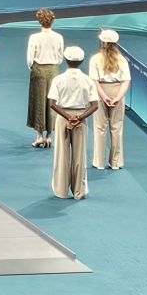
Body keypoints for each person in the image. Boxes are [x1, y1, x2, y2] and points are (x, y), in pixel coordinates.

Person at [47, 46, 96, 199]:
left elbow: (52, 103)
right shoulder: (88, 80)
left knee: (61, 154)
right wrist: (79, 118)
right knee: (79, 156)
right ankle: (78, 191)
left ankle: (61, 191)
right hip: (81, 118)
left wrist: (68, 117)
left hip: (63, 117)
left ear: (66, 60)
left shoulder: (58, 79)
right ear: (82, 61)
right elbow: (95, 105)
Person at [88, 31, 130, 171]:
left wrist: (103, 96)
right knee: (116, 127)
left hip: (100, 92)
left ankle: (99, 162)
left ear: (102, 42)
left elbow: (94, 81)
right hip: (117, 91)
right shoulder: (122, 60)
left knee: (99, 128)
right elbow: (126, 80)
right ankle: (116, 162)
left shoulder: (95, 59)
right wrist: (118, 97)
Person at [24, 8, 64, 149]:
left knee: (38, 101)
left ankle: (39, 136)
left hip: (39, 70)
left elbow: (30, 58)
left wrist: (34, 67)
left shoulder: (34, 38)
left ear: (39, 21)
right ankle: (49, 136)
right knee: (52, 101)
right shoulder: (59, 37)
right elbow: (60, 57)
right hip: (53, 70)